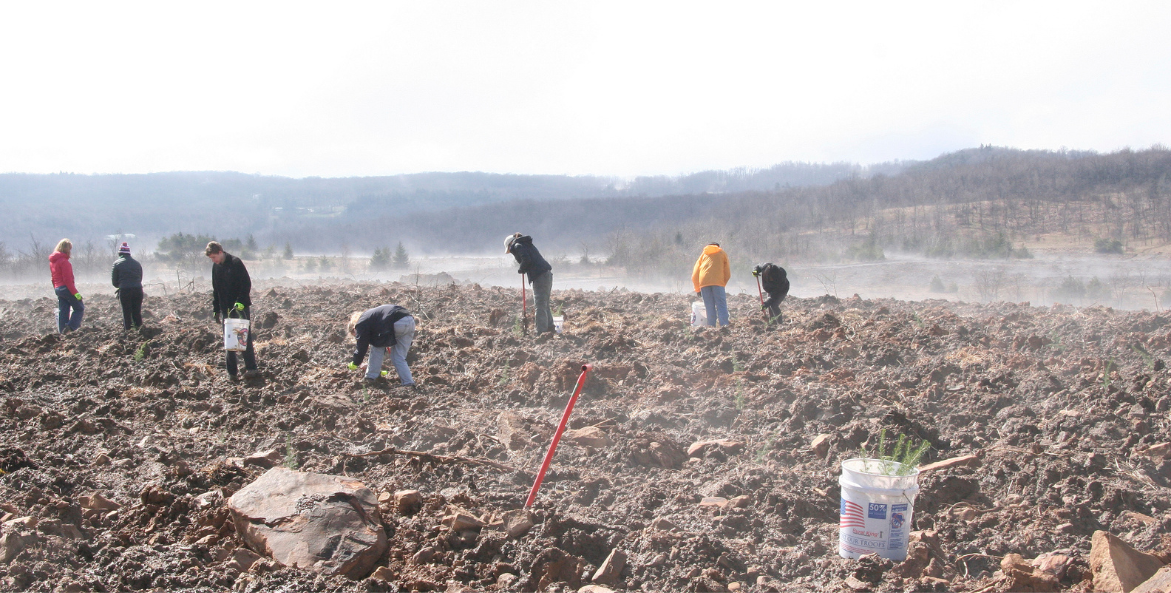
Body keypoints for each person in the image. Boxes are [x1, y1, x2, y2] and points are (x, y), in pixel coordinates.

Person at [206, 241, 260, 381]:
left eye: (214, 257)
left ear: (220, 252)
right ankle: (232, 373)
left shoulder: (235, 263)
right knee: (229, 341)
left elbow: (246, 283)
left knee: (244, 338)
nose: (213, 260)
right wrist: (216, 308)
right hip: (226, 309)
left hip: (240, 308)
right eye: (211, 259)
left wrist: (241, 301)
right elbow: (216, 290)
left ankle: (251, 369)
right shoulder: (216, 267)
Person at [347, 305, 417, 388]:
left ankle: (370, 378)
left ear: (354, 329)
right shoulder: (371, 318)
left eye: (355, 335)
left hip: (394, 321)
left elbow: (362, 345)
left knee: (377, 347)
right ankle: (408, 383)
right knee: (398, 357)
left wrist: (356, 362)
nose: (356, 336)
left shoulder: (361, 324)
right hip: (410, 320)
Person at [505, 232, 554, 334]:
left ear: (510, 245)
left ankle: (541, 332)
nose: (511, 253)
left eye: (509, 250)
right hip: (546, 275)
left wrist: (522, 268)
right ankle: (550, 328)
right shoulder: (525, 244)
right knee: (544, 304)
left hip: (540, 276)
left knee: (540, 305)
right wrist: (523, 267)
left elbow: (526, 259)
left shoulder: (518, 246)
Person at [691, 242, 731, 327]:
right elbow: (727, 273)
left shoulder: (703, 255)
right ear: (718, 247)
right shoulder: (722, 253)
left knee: (709, 307)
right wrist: (722, 283)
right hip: (718, 282)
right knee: (721, 305)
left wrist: (697, 289)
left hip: (704, 282)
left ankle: (711, 327)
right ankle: (724, 327)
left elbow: (695, 273)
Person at [49, 239, 84, 333]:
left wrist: (56, 289)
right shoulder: (65, 262)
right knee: (79, 308)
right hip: (66, 288)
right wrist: (77, 295)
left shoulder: (53, 262)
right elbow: (68, 281)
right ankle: (70, 327)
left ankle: (62, 332)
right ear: (67, 249)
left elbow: (53, 278)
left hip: (58, 289)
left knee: (63, 311)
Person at [111, 242, 144, 330]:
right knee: (137, 313)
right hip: (138, 290)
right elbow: (140, 278)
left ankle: (129, 333)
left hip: (125, 291)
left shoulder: (116, 264)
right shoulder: (137, 263)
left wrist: (121, 285)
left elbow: (114, 282)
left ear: (120, 253)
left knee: (126, 313)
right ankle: (140, 331)